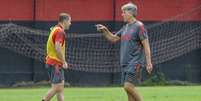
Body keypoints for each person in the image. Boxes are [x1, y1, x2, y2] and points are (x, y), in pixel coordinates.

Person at [96, 3, 153, 101]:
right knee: (129, 93)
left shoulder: (139, 26)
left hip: (135, 62)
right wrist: (104, 30)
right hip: (125, 63)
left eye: (124, 12)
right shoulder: (125, 27)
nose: (122, 14)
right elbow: (113, 38)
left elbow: (146, 45)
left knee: (128, 86)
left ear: (130, 13)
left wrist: (149, 62)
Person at [42, 13, 71, 101]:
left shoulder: (55, 29)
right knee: (57, 87)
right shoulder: (60, 31)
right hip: (56, 63)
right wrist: (64, 62)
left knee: (60, 88)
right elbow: (58, 48)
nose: (70, 23)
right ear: (65, 21)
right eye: (70, 21)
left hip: (51, 62)